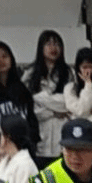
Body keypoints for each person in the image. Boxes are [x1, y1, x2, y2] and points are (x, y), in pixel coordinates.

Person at [26, 31, 72, 159]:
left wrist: (40, 98)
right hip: (39, 133)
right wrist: (53, 112)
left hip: (61, 132)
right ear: (41, 47)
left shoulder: (69, 73)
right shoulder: (30, 74)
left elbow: (67, 103)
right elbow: (30, 106)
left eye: (57, 44)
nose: (53, 48)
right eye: (48, 44)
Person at [0, 42, 37, 152]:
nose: (1, 61)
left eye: (4, 56)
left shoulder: (22, 89)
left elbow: (31, 119)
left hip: (24, 147)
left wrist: (32, 143)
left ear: (11, 59)